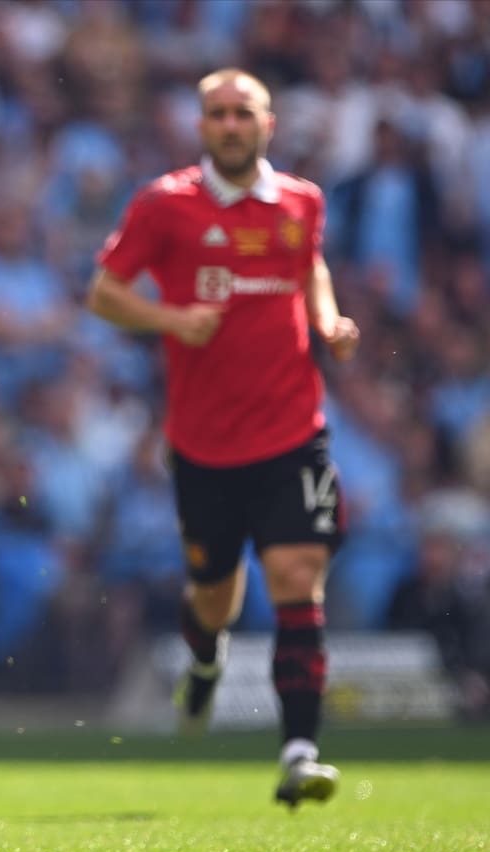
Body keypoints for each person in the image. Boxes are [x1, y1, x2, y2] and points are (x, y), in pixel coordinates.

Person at [87, 68, 360, 808]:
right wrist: (172, 321)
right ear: (201, 127)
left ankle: (299, 753)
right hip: (204, 446)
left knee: (299, 577)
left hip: (292, 432)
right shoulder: (165, 204)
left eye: (244, 113)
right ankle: (205, 660)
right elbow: (104, 291)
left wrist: (327, 319)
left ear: (268, 124)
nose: (232, 125)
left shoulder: (302, 201)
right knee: (215, 600)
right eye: (218, 114)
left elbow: (311, 268)